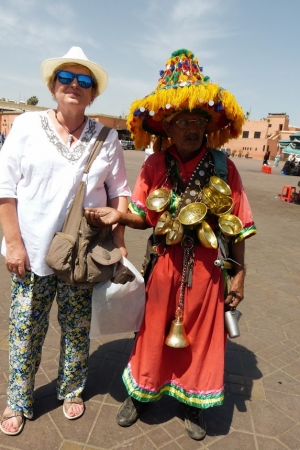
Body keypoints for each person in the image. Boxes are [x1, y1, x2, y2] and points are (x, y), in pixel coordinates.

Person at [84, 49, 257, 441]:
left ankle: (193, 402)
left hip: (210, 269)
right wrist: (119, 217)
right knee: (152, 330)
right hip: (163, 265)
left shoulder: (223, 166)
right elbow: (144, 214)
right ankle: (141, 394)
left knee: (204, 334)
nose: (191, 128)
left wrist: (241, 274)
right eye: (182, 122)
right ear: (169, 129)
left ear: (208, 127)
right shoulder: (154, 165)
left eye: (198, 121)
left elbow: (240, 225)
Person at [0, 46, 131, 436]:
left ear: (93, 94)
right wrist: (14, 244)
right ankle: (18, 399)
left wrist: (120, 241)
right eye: (66, 78)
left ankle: (71, 388)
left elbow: (119, 192)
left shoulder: (107, 138)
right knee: (25, 330)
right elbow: (5, 190)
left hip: (83, 256)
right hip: (33, 253)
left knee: (76, 327)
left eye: (84, 81)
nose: (74, 85)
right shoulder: (25, 126)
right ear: (53, 86)